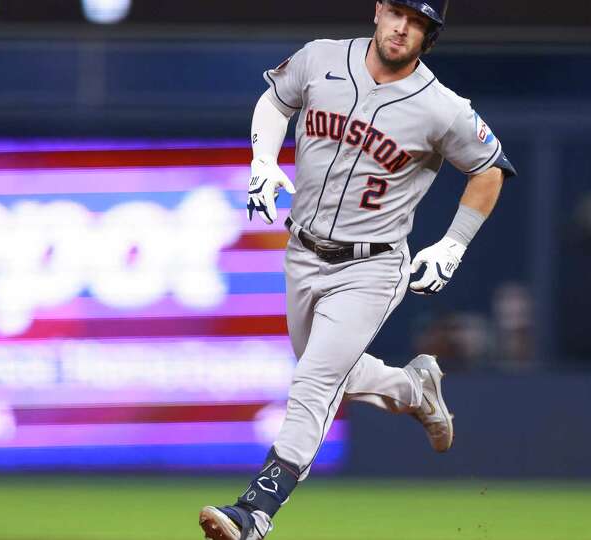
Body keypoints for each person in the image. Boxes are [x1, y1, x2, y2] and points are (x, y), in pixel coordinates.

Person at [199, 1, 516, 538]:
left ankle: (256, 510)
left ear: (430, 35)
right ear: (378, 10)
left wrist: (453, 245)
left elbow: (491, 169)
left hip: (370, 266)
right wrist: (261, 161)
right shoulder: (320, 57)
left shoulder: (442, 107)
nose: (402, 27)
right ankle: (413, 390)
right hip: (302, 251)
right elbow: (276, 103)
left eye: (418, 22)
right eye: (397, 12)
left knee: (315, 379)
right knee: (325, 367)